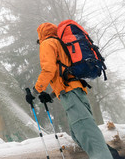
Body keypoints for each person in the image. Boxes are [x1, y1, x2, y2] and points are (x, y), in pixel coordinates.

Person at [32, 22, 113, 159]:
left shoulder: (47, 43)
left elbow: (49, 69)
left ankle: (107, 155)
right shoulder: (60, 43)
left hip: (72, 95)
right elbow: (65, 74)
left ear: (41, 34)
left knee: (90, 137)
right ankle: (112, 153)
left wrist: (36, 90)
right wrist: (51, 95)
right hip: (76, 91)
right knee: (79, 135)